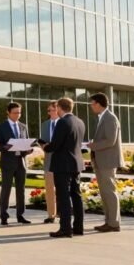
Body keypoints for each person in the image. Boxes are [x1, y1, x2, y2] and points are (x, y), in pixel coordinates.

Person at [44, 97, 85, 238]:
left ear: (60, 108)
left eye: (56, 108)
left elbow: (55, 145)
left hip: (62, 165)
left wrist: (45, 146)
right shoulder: (80, 122)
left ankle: (65, 229)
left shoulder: (62, 122)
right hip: (76, 164)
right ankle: (78, 227)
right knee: (76, 195)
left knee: (64, 196)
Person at [88, 93, 124, 233]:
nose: (91, 106)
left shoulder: (110, 118)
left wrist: (93, 146)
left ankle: (114, 223)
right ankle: (109, 222)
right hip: (102, 161)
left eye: (92, 104)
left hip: (107, 162)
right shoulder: (103, 118)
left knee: (109, 192)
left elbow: (110, 140)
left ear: (98, 104)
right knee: (105, 193)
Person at [0, 102, 31, 225]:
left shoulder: (23, 126)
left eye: (19, 113)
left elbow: (27, 142)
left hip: (21, 162)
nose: (17, 115)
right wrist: (6, 147)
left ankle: (21, 215)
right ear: (8, 112)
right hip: (7, 162)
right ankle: (4, 216)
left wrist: (28, 150)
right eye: (15, 113)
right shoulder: (1, 127)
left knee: (21, 190)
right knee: (6, 189)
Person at [38, 101, 60, 224]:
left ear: (57, 110)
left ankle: (62, 213)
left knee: (62, 189)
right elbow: (43, 141)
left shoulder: (64, 123)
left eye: (52, 110)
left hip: (62, 160)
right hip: (49, 160)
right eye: (48, 110)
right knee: (50, 188)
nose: (49, 113)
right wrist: (43, 145)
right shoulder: (45, 125)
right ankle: (51, 215)